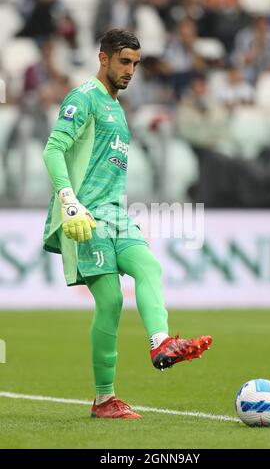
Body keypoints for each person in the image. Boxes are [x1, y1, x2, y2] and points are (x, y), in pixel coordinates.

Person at [42, 29, 212, 419]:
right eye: (124, 62)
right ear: (103, 58)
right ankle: (104, 399)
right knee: (112, 301)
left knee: (149, 267)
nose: (131, 70)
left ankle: (160, 343)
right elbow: (53, 149)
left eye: (135, 63)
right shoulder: (83, 97)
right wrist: (69, 201)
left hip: (116, 215)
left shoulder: (118, 109)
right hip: (85, 215)